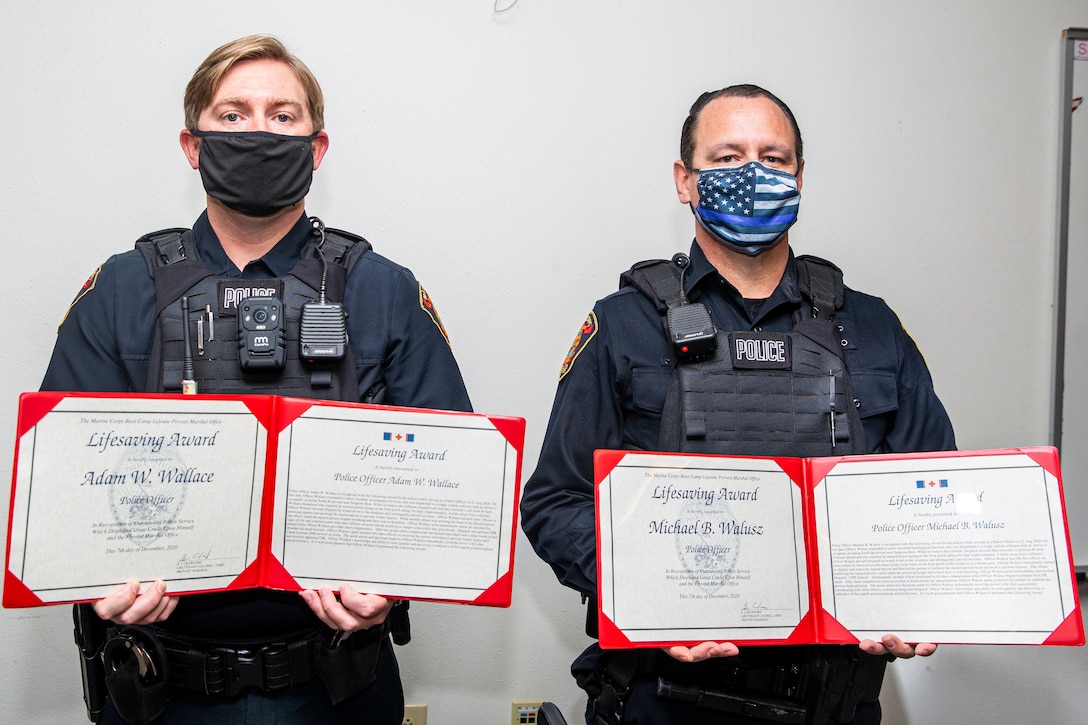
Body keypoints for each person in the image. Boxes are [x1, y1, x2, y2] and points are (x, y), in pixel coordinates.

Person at [42, 35, 471, 724]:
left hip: (337, 686)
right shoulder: (121, 290)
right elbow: (58, 491)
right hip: (159, 686)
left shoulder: (382, 291)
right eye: (234, 114)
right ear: (193, 144)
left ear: (316, 147)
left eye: (283, 114)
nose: (259, 130)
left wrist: (390, 586)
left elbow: (452, 485)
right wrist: (97, 584)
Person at [520, 84, 956, 725]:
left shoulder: (874, 327)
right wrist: (643, 596)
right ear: (685, 179)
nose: (751, 173)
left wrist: (913, 595)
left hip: (835, 702)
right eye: (726, 158)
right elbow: (556, 501)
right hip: (666, 699)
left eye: (773, 158)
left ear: (801, 177)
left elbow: (933, 495)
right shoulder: (623, 326)